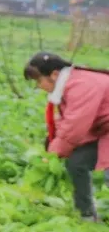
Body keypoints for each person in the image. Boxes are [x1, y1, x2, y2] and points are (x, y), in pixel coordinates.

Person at [25, 51, 109, 222]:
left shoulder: (82, 86)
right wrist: (54, 143)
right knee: (76, 162)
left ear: (54, 74)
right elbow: (68, 123)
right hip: (105, 130)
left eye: (39, 80)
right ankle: (86, 216)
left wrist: (54, 153)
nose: (39, 86)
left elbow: (75, 127)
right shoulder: (69, 85)